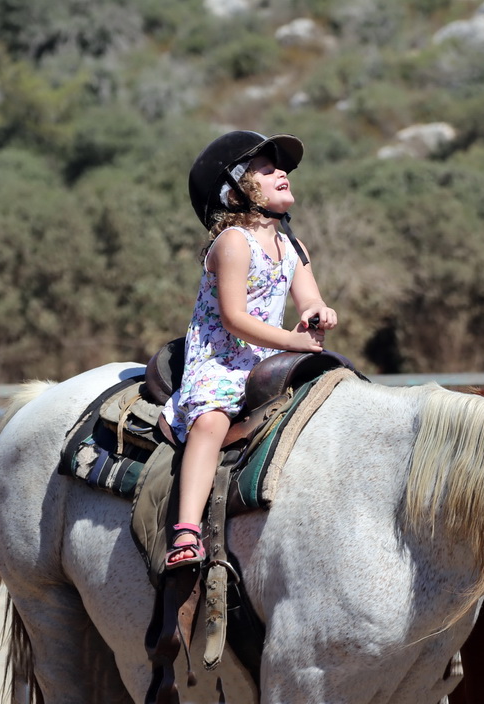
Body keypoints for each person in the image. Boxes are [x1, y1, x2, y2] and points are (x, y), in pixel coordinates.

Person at [162, 130, 338, 569]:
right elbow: (234, 319)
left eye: (279, 167)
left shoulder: (293, 247)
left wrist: (319, 312)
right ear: (237, 189)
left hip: (268, 360)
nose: (281, 172)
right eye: (265, 167)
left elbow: (309, 297)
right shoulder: (233, 243)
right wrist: (295, 340)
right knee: (210, 422)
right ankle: (185, 530)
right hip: (221, 360)